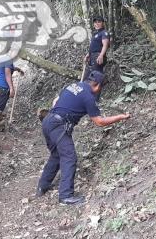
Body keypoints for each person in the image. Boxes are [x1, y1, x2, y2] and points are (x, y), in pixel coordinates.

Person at [36, 71, 130, 205]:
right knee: (69, 157)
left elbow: (55, 100)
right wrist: (120, 117)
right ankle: (65, 196)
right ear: (97, 86)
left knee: (56, 155)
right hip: (59, 126)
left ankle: (42, 187)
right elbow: (99, 122)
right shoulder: (88, 97)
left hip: (48, 121)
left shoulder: (73, 85)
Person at [83, 15, 110, 80]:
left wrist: (101, 55)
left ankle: (98, 88)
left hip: (97, 56)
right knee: (89, 77)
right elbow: (94, 46)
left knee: (95, 78)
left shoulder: (104, 33)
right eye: (95, 22)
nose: (96, 24)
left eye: (99, 22)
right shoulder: (96, 34)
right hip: (92, 57)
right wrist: (88, 55)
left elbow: (105, 45)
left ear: (103, 23)